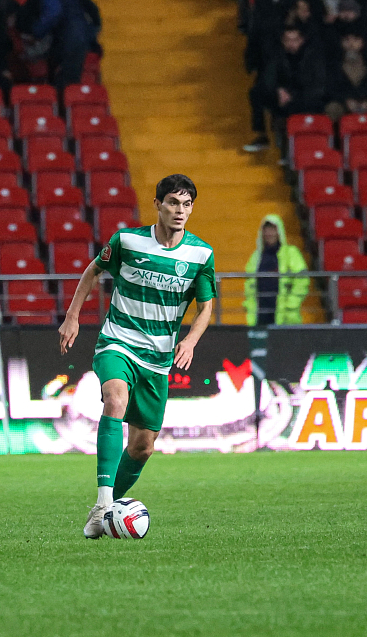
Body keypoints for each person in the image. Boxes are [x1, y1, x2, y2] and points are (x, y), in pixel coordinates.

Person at [58, 174, 216, 539]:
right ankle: (103, 504)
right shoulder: (127, 241)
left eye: (187, 204)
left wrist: (190, 341)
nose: (180, 210)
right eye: (173, 203)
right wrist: (72, 316)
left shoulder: (201, 254)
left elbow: (206, 306)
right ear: (158, 204)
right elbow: (93, 271)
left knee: (143, 447)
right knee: (114, 399)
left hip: (157, 359)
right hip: (118, 341)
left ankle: (107, 506)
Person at [244, 27, 326, 152]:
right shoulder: (277, 55)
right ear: (283, 41)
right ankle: (262, 136)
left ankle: (292, 147)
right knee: (256, 92)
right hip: (282, 97)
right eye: (288, 40)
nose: (291, 44)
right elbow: (268, 78)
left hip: (305, 98)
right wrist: (278, 90)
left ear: (302, 40)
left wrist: (292, 95)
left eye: (295, 40)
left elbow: (317, 85)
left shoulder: (313, 56)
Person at [243, 214, 309, 326]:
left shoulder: (291, 253)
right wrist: (249, 304)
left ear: (279, 232)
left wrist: (291, 303)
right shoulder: (256, 257)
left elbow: (302, 279)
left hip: (286, 316)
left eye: (273, 229)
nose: (269, 233)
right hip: (260, 312)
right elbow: (249, 283)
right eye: (266, 230)